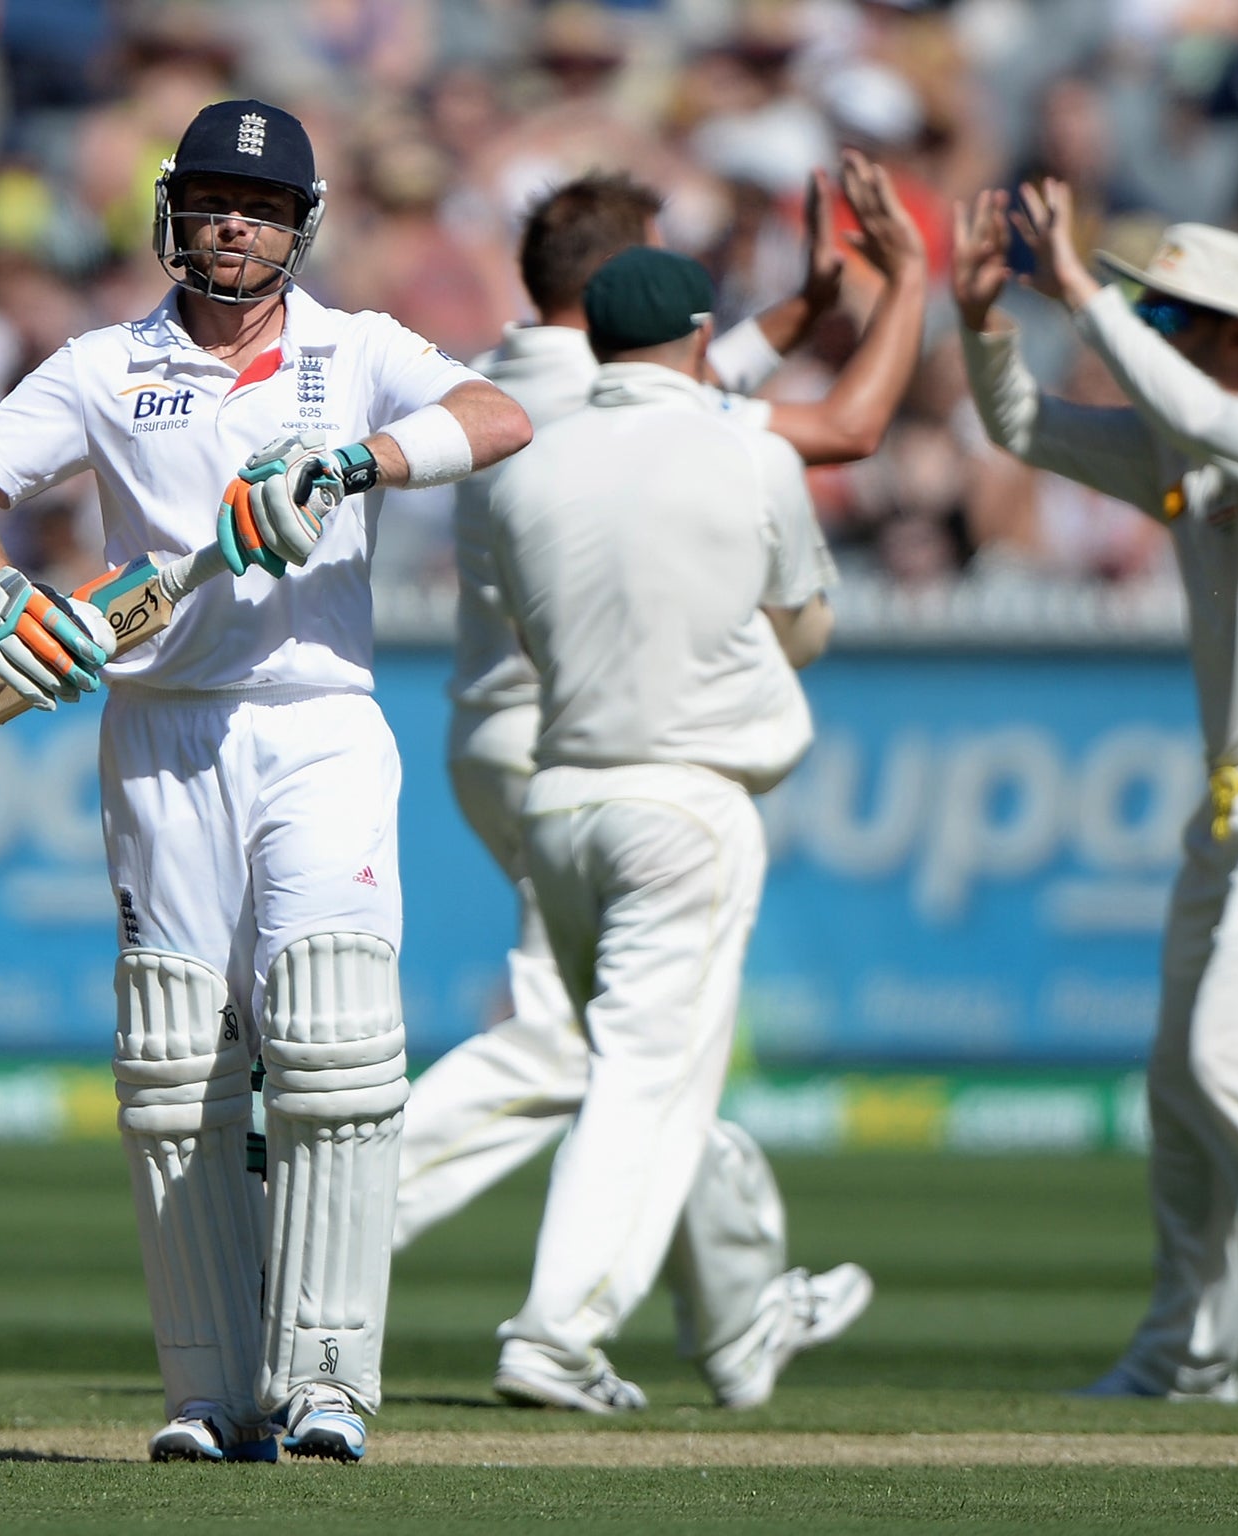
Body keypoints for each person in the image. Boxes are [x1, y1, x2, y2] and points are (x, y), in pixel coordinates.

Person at [0, 99, 531, 1462]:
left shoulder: (355, 352)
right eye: (208, 199)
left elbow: (499, 414)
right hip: (159, 730)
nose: (230, 222)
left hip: (314, 720)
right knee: (178, 1061)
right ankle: (210, 1391)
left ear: (300, 227)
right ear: (171, 213)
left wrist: (352, 458)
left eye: (256, 204)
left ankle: (325, 1385)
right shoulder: (104, 365)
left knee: (331, 1044)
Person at [395, 150, 926, 1410]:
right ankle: (362, 1252)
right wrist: (897, 286)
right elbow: (817, 426)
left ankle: (739, 1318)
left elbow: (691, 375)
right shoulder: (610, 413)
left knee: (641, 1056)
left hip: (535, 756)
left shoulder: (524, 399)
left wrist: (800, 304)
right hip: (621, 754)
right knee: (593, 1055)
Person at [951, 183, 1238, 1408]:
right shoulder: (1182, 435)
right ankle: (1188, 1352)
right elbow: (1023, 431)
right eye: (1144, 305)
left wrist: (1085, 293)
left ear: (1229, 332)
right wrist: (984, 326)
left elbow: (1180, 410)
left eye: (1168, 310)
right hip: (1233, 803)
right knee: (1179, 1087)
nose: (1147, 325)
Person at [479, 245, 837, 1411]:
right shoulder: (750, 454)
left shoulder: (525, 469)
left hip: (561, 802)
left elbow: (536, 642)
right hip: (683, 804)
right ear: (700, 335)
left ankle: (738, 1328)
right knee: (646, 1083)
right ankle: (555, 1335)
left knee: (644, 1085)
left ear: (589, 340)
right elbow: (802, 623)